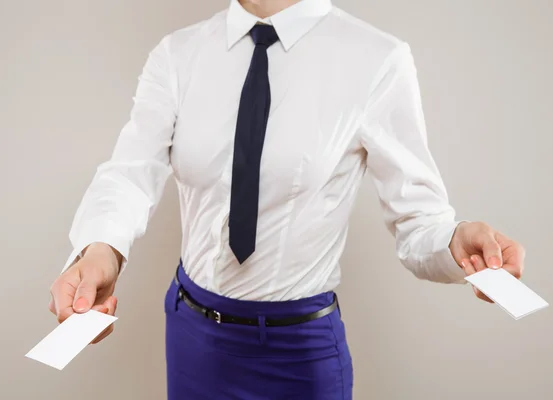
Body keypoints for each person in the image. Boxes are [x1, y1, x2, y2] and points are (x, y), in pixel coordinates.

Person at [48, 0, 525, 398]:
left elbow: (420, 220)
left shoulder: (375, 59)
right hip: (193, 338)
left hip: (300, 354)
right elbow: (129, 174)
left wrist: (456, 241)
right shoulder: (179, 54)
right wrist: (100, 253)